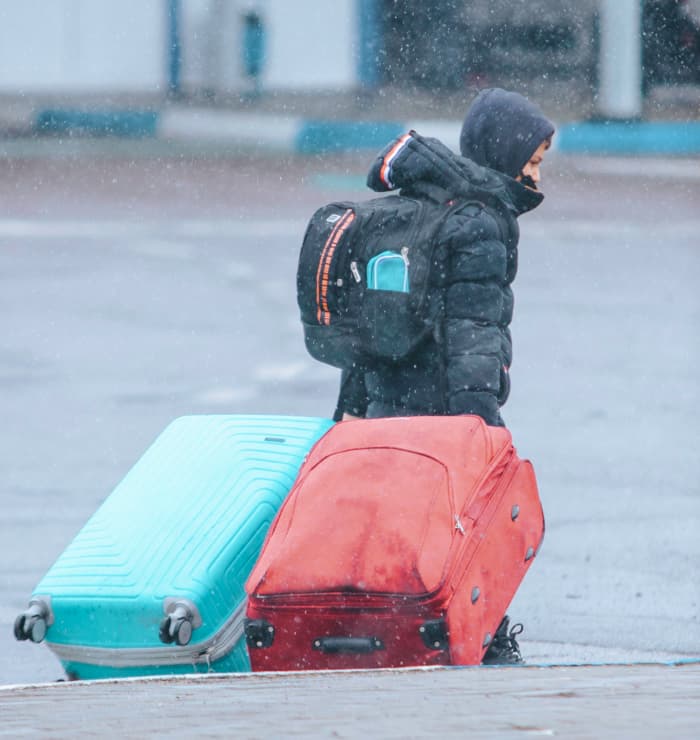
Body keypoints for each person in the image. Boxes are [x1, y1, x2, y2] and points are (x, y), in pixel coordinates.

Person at [333, 88, 555, 663]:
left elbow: (368, 321)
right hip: (444, 405)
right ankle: (481, 633)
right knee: (469, 524)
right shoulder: (480, 221)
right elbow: (474, 330)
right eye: (530, 163)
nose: (535, 177)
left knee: (393, 526)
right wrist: (479, 420)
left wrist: (352, 404)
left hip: (386, 399)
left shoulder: (414, 206)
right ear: (502, 156)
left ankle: (380, 634)